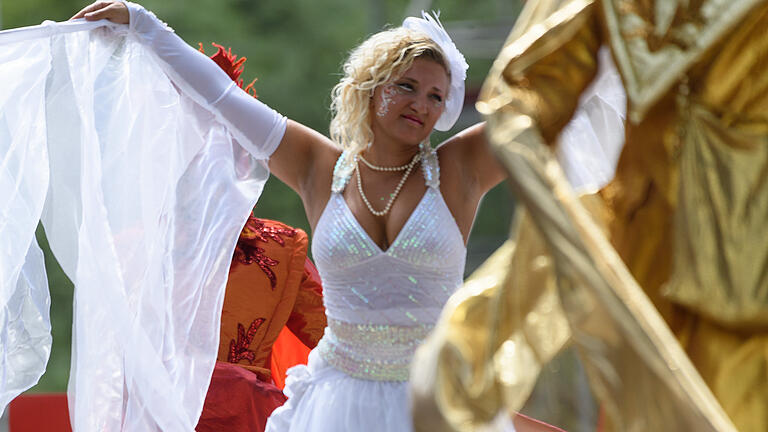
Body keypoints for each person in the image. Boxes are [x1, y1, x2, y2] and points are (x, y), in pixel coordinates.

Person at [71, 1, 507, 431]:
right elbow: (223, 98)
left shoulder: (459, 170)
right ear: (372, 86)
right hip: (338, 405)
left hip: (439, 400)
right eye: (407, 86)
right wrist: (145, 25)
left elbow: (546, 107)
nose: (422, 105)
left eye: (437, 96)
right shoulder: (318, 166)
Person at [410, 0, 767, 431]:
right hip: (651, 284)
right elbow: (524, 97)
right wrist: (568, 239)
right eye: (405, 88)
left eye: (432, 94)